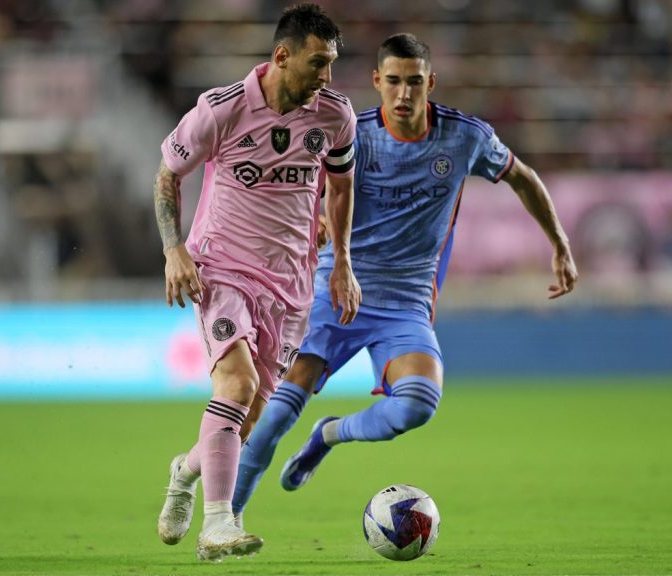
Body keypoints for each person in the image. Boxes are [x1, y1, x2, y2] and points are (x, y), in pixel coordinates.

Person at [231, 33, 578, 522]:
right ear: (377, 81)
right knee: (274, 417)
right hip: (338, 287)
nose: (403, 93)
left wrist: (560, 244)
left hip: (405, 303)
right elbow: (304, 186)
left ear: (430, 82)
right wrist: (318, 222)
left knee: (418, 404)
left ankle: (328, 434)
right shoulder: (351, 134)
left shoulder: (465, 137)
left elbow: (521, 175)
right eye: (393, 81)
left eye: (414, 82)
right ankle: (227, 521)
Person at [153, 3, 361, 562]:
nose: (327, 77)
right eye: (318, 64)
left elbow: (339, 187)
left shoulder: (335, 116)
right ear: (281, 56)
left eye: (332, 65)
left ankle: (185, 470)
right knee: (236, 387)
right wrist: (175, 249)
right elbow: (168, 174)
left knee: (245, 420)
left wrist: (341, 260)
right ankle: (219, 524)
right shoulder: (220, 110)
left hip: (291, 285)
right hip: (221, 268)